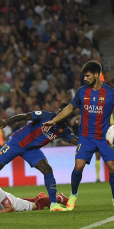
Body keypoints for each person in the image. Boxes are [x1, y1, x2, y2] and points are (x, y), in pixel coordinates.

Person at [0, 103, 79, 213]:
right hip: (16, 143)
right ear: (58, 111)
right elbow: (25, 116)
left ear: (68, 116)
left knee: (47, 169)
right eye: (61, 111)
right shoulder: (46, 115)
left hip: (31, 150)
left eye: (66, 114)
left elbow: (77, 141)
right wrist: (7, 121)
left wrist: (90, 145)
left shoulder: (63, 130)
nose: (62, 114)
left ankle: (53, 204)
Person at [43, 60, 114, 210]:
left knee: (112, 167)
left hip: (103, 137)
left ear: (96, 75)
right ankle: (73, 196)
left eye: (87, 76)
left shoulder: (110, 93)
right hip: (86, 136)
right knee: (78, 165)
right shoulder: (82, 91)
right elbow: (70, 108)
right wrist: (54, 121)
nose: (85, 79)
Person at [0, 181, 68, 215]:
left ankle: (59, 198)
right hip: (1, 202)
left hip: (6, 202)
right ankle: (38, 197)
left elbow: (11, 209)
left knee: (36, 206)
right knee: (22, 200)